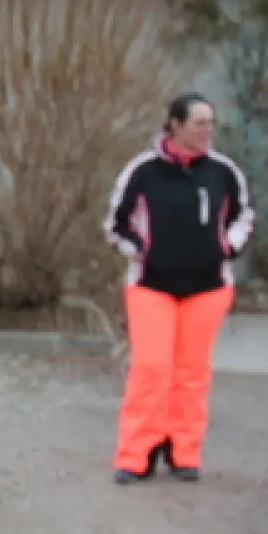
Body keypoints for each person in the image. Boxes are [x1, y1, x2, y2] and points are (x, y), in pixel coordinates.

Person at [104, 93, 255, 484]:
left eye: (210, 123)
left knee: (193, 373)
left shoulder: (224, 171)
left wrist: (227, 247)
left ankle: (184, 451)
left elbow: (243, 217)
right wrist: (137, 250)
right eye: (198, 123)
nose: (207, 131)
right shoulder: (143, 170)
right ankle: (136, 455)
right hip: (152, 284)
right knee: (151, 369)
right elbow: (115, 223)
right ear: (175, 124)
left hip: (208, 285)